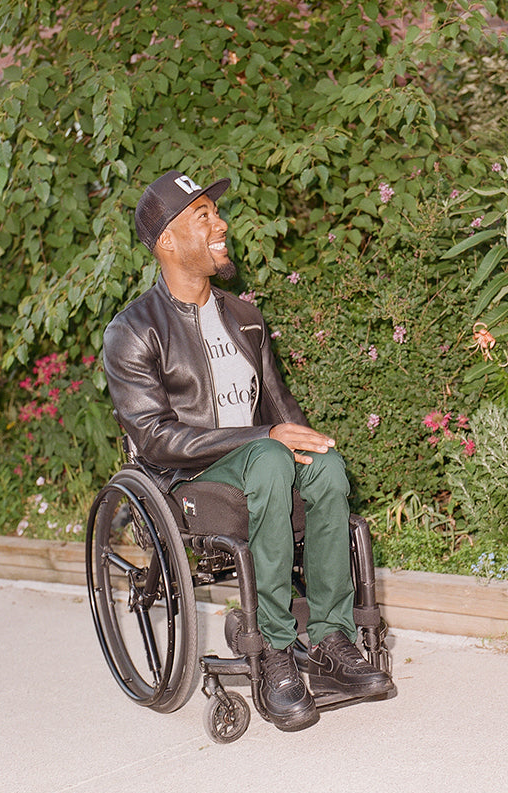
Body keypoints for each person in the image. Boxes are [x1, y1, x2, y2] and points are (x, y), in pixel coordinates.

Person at [102, 171, 393, 732]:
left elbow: (282, 413)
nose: (221, 225)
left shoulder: (244, 317)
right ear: (166, 240)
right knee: (271, 457)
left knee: (327, 468)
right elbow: (156, 438)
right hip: (187, 481)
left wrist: (308, 444)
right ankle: (277, 653)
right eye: (203, 216)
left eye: (216, 213)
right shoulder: (134, 330)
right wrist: (264, 440)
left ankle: (333, 639)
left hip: (265, 462)